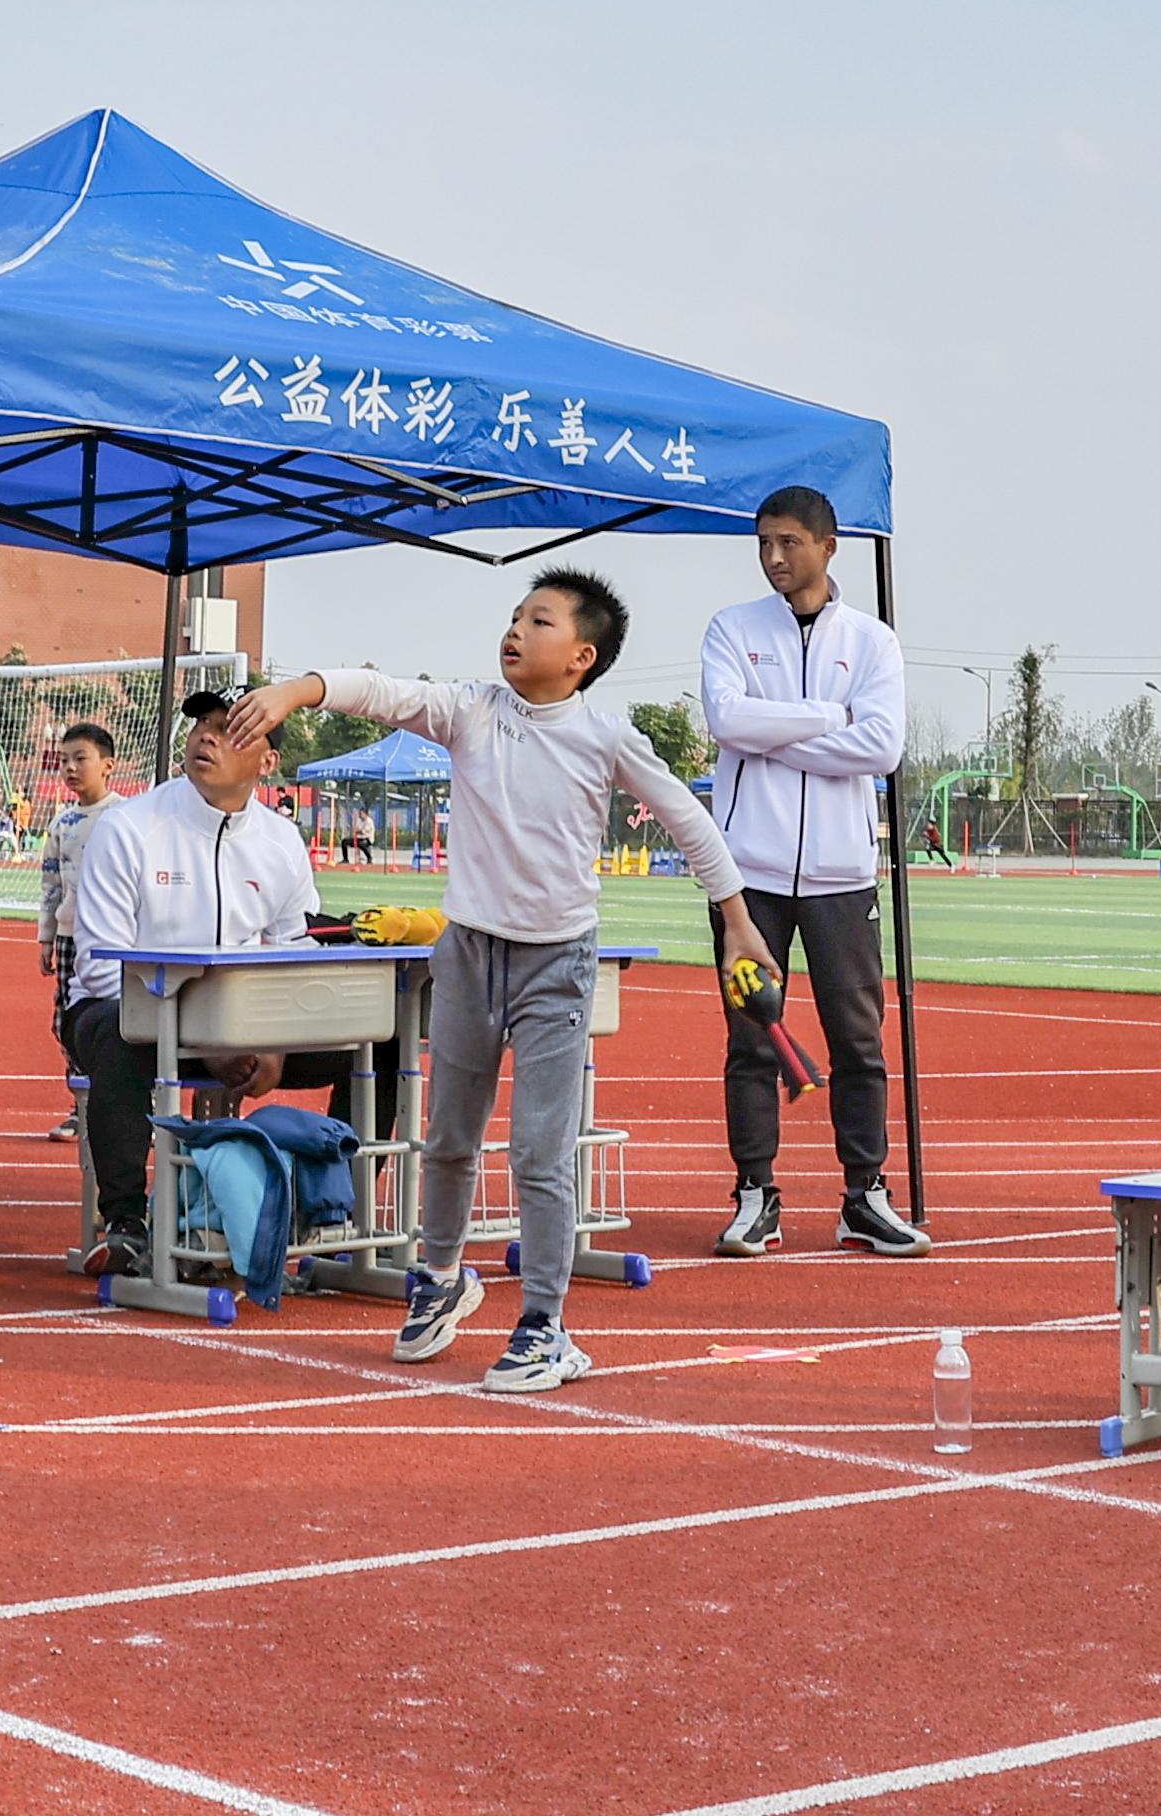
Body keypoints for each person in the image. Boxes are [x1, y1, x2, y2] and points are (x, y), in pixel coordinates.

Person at [223, 569, 763, 1397]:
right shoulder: (471, 710)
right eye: (515, 615)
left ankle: (544, 1324)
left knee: (541, 1155)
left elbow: (691, 823)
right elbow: (384, 692)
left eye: (538, 621)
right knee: (448, 1140)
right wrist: (299, 690)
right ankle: (438, 1279)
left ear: (580, 656)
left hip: (557, 964)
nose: (515, 629)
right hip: (469, 955)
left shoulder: (606, 738)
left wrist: (737, 923)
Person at [695, 486, 917, 1259]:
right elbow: (727, 722)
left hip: (841, 872)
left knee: (859, 1040)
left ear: (828, 547)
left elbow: (882, 750)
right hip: (746, 873)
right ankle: (756, 1194)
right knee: (752, 1039)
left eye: (789, 542)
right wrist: (831, 718)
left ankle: (866, 1194)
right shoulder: (732, 628)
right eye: (764, 543)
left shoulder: (874, 642)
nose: (775, 558)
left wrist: (773, 730)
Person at [63, 692, 326, 1275]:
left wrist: (272, 1039)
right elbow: (102, 968)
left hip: (241, 1026)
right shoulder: (129, 827)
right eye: (202, 725)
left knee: (374, 1044)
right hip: (122, 1012)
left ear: (266, 762)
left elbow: (294, 950)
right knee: (121, 1034)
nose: (207, 737)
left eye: (229, 730)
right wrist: (211, 1036)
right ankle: (127, 1224)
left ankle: (335, 1215)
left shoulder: (281, 841)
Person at [32, 718, 121, 1140]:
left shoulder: (125, 817)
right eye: (63, 760)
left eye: (80, 758)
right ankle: (80, 1104)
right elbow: (50, 885)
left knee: (121, 1020)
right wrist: (46, 936)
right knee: (67, 1021)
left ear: (108, 765)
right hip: (71, 938)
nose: (69, 768)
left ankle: (135, 1101)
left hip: (117, 936)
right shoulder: (61, 824)